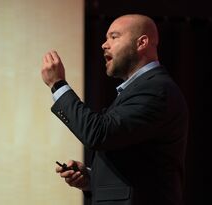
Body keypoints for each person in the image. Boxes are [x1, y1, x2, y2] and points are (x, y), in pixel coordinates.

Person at [41, 14, 189, 205]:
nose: (104, 44)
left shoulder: (156, 90)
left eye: (114, 36)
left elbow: (98, 133)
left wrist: (58, 85)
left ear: (142, 42)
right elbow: (135, 162)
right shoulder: (142, 89)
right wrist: (92, 179)